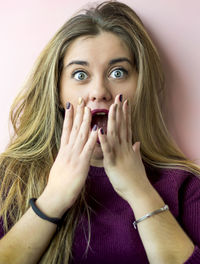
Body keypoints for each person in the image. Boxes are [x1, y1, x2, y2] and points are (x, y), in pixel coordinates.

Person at [0, 1, 200, 263]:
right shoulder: (10, 179)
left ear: (140, 88)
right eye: (80, 75)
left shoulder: (186, 187)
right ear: (59, 92)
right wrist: (54, 197)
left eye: (118, 72)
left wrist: (138, 190)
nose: (99, 91)